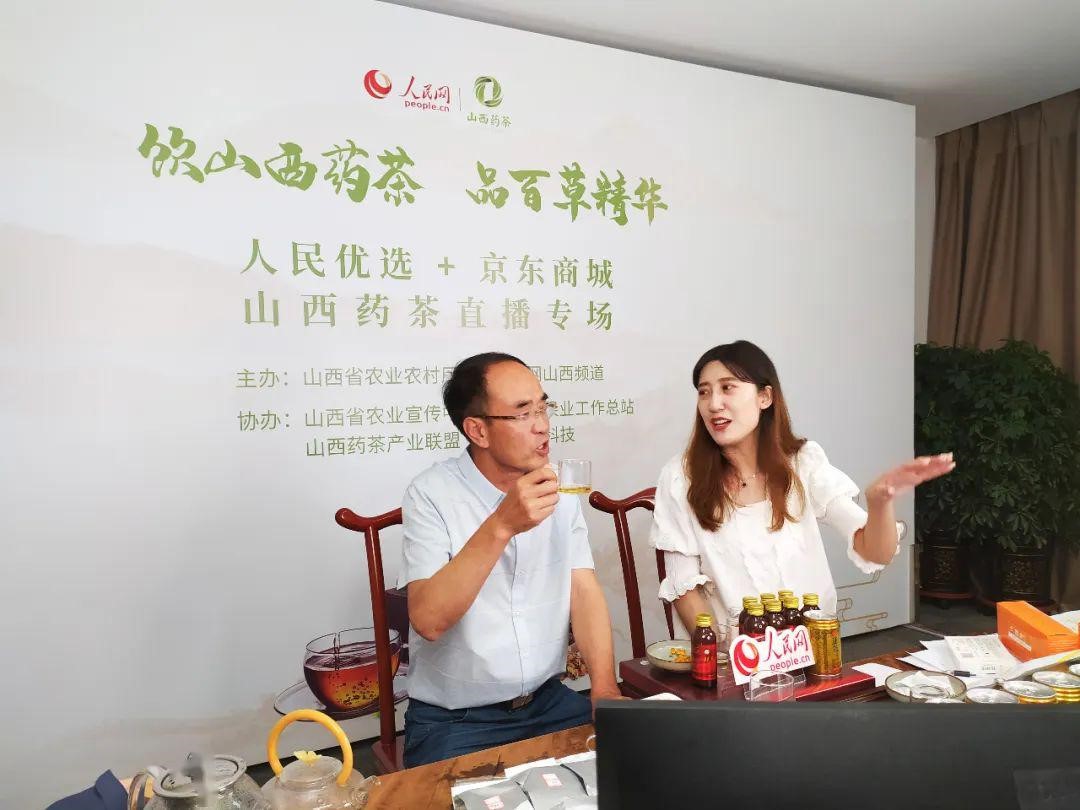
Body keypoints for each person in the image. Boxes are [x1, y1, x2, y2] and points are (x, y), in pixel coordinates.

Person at [398, 352, 622, 767]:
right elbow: (428, 620)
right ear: (478, 430)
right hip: (457, 721)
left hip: (550, 703)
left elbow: (583, 589)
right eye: (522, 414)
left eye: (543, 408)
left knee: (635, 776)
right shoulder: (431, 494)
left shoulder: (559, 490)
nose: (542, 425)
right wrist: (501, 524)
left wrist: (604, 688)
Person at [650, 340, 955, 634]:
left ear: (765, 397)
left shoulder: (802, 463)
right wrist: (719, 653)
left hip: (812, 649)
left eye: (727, 388)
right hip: (733, 656)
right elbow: (683, 587)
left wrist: (879, 503)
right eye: (704, 392)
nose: (713, 404)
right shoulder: (680, 477)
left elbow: (877, 553)